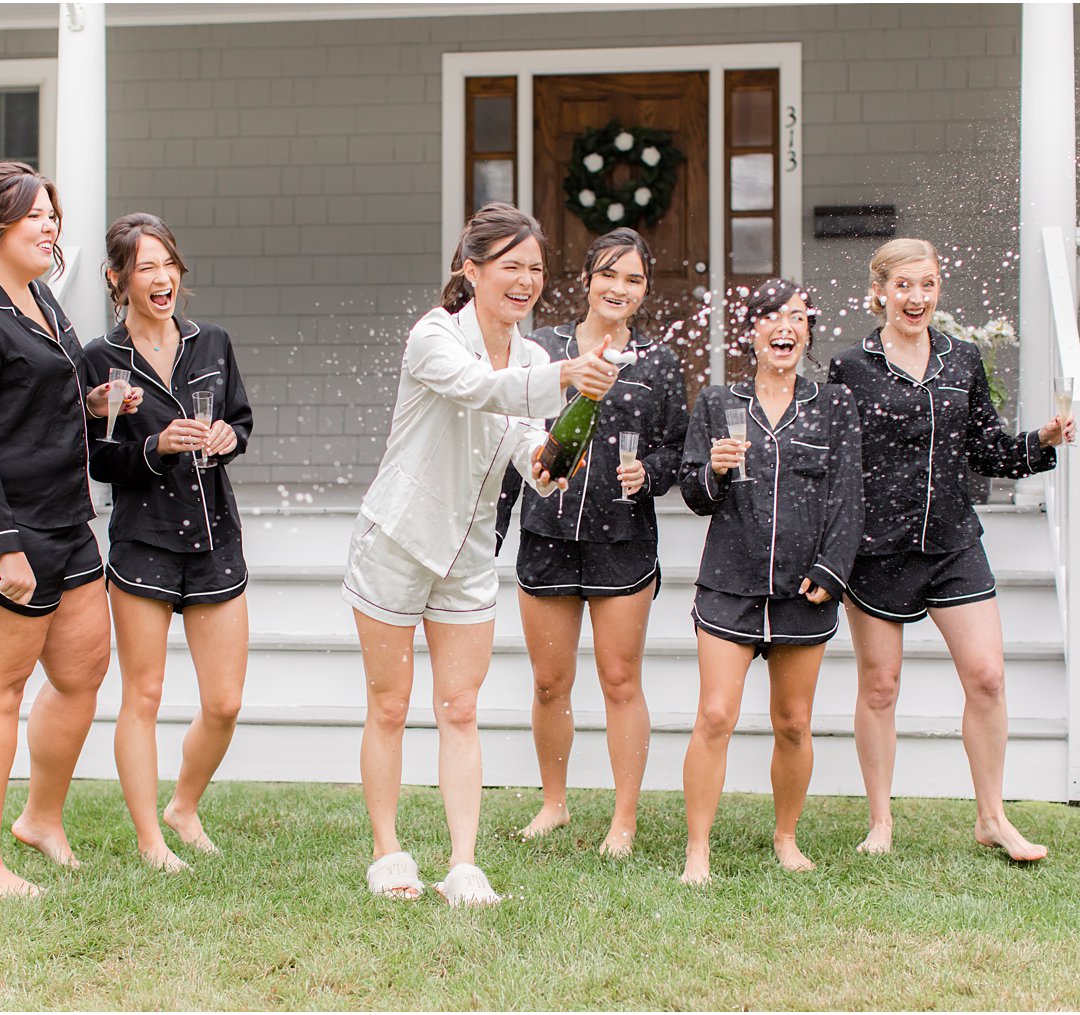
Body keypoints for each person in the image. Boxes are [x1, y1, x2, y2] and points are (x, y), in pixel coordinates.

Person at [343, 202, 617, 906]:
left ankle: (463, 862)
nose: (525, 281)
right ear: (471, 269)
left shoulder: (529, 356)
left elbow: (525, 446)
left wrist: (554, 459)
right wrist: (567, 377)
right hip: (399, 541)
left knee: (460, 707)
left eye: (534, 268)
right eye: (510, 266)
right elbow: (478, 391)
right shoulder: (434, 336)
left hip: (468, 553)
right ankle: (388, 851)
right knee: (391, 705)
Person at [0, 161, 142, 897]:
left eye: (52, 212)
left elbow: (42, 389)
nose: (52, 226)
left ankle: (40, 819)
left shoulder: (38, 294)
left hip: (63, 514)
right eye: (35, 216)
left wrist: (94, 395)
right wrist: (0, 545)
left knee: (81, 672)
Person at [828, 238, 1074, 861]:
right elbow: (836, 466)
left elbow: (987, 450)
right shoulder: (849, 368)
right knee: (880, 687)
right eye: (904, 286)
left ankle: (992, 817)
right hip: (875, 548)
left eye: (928, 284)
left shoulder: (962, 360)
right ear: (878, 291)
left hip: (951, 541)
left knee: (987, 678)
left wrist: (1041, 440)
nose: (917, 298)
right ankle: (880, 823)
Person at [494, 228, 689, 857]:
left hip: (623, 540)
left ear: (643, 291)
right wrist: (488, 533)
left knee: (620, 680)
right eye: (609, 275)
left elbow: (675, 450)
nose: (620, 289)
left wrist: (649, 474)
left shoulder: (657, 363)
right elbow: (507, 440)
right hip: (546, 534)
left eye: (633, 280)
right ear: (585, 281)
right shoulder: (539, 351)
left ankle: (624, 820)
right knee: (550, 682)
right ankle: (554, 803)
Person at [82, 213, 253, 872]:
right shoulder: (102, 361)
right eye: (146, 266)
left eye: (169, 264)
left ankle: (184, 805)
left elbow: (238, 420)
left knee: (225, 701)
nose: (162, 278)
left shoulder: (213, 343)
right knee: (144, 695)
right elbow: (99, 461)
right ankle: (151, 837)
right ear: (117, 279)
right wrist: (153, 445)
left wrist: (225, 438)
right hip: (143, 540)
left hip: (214, 535)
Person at [678, 280, 862, 881]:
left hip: (803, 588)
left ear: (807, 332)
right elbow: (694, 496)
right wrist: (714, 470)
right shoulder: (715, 402)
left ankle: (786, 837)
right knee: (714, 715)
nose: (783, 327)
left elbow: (847, 496)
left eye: (796, 318)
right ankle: (697, 851)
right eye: (770, 318)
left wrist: (832, 571)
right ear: (750, 330)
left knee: (794, 722)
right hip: (730, 582)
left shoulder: (833, 404)